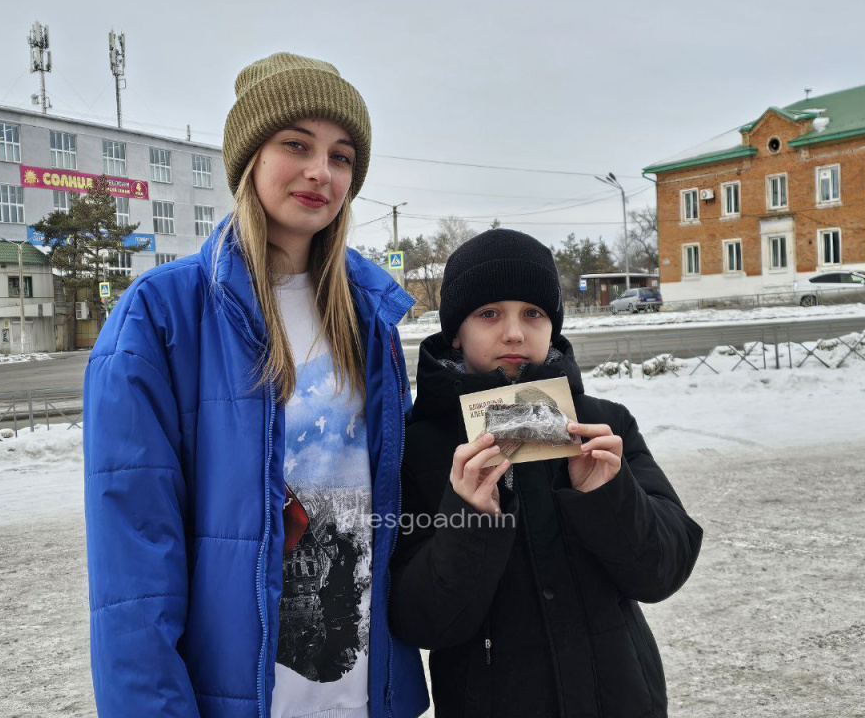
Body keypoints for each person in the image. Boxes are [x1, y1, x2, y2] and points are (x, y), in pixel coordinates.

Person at [84, 53, 429, 718]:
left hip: (360, 691)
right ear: (248, 159)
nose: (320, 172)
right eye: (295, 145)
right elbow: (133, 565)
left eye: (342, 155)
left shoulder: (369, 315)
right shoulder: (162, 315)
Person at [389, 229, 703, 717]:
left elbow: (663, 571)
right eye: (489, 314)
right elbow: (421, 622)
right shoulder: (417, 446)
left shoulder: (604, 425)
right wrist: (472, 519)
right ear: (456, 331)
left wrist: (607, 495)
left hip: (622, 701)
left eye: (533, 314)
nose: (514, 333)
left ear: (552, 327)